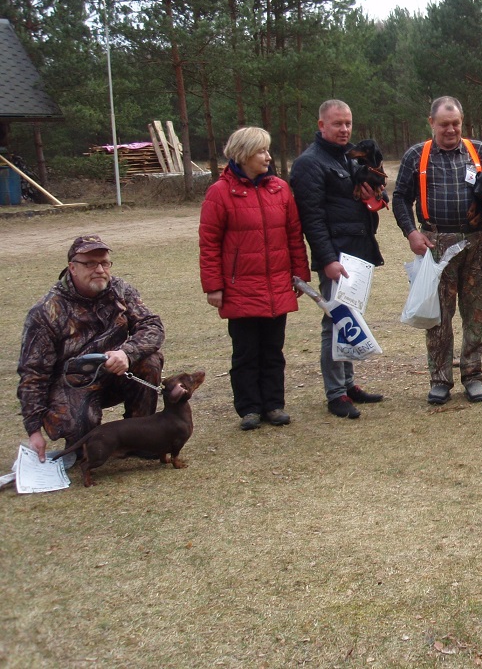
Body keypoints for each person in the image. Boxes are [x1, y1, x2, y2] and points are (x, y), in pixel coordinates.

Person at [392, 96, 482, 405]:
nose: (450, 130)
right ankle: (440, 380)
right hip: (435, 244)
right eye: (444, 124)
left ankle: (473, 376)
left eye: (456, 123)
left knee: (476, 313)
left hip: (476, 241)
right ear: (431, 123)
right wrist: (411, 232)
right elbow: (401, 197)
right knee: (438, 316)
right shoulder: (416, 156)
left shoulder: (481, 151)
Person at [199, 126, 311, 430]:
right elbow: (209, 243)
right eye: (261, 151)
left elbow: (294, 235)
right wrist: (214, 286)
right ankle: (249, 409)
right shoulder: (219, 193)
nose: (268, 156)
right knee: (246, 352)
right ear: (244, 154)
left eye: (267, 150)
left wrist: (300, 274)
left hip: (276, 285)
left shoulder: (281, 189)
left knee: (273, 350)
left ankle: (274, 405)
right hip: (240, 288)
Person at [17, 235, 164, 462]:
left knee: (149, 361)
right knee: (83, 442)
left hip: (114, 374)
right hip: (71, 385)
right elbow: (33, 372)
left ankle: (138, 438)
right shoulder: (46, 310)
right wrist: (34, 430)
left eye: (104, 263)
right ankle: (81, 437)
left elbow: (152, 326)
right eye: (90, 264)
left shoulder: (120, 290)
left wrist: (126, 353)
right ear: (72, 268)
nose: (99, 270)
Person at [291, 99, 385, 420]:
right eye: (337, 124)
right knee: (335, 322)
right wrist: (328, 259)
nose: (344, 129)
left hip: (358, 251)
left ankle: (348, 383)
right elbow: (312, 218)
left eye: (348, 123)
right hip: (336, 257)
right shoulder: (309, 163)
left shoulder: (350, 157)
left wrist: (375, 196)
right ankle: (335, 394)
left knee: (351, 319)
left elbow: (372, 195)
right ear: (321, 125)